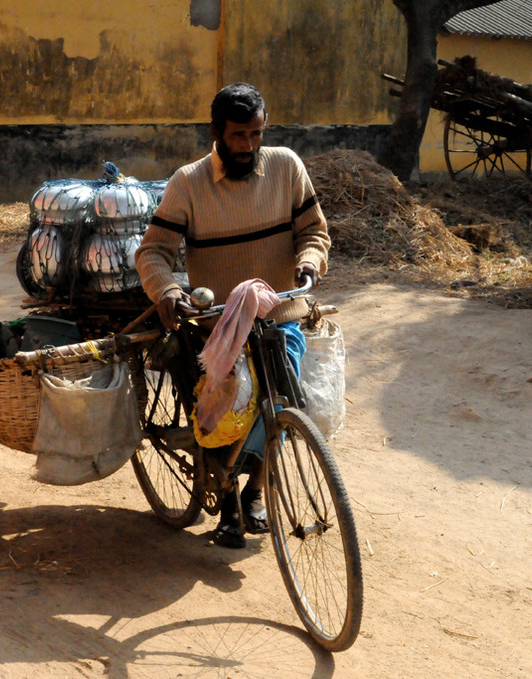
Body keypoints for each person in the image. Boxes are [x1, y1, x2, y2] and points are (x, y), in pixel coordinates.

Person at [134, 82, 330, 548]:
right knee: (223, 405)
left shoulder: (287, 167)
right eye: (238, 135)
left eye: (256, 134)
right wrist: (168, 291)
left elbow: (314, 232)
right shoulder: (188, 183)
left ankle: (255, 492)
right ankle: (225, 496)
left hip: (279, 315)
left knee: (281, 398)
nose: (248, 145)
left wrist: (309, 262)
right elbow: (153, 252)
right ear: (216, 132)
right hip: (216, 324)